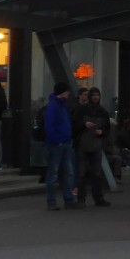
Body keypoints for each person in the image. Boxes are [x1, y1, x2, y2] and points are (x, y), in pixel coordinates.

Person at [73, 87, 112, 207]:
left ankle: (97, 198)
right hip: (84, 145)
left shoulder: (103, 112)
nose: (96, 97)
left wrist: (102, 132)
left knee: (96, 173)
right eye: (94, 95)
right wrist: (84, 124)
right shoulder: (82, 110)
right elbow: (74, 125)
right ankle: (82, 199)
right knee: (82, 173)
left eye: (97, 95)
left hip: (95, 144)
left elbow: (107, 129)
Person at [43, 82, 78, 211]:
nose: (68, 93)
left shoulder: (57, 106)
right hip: (58, 143)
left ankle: (60, 200)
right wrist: (59, 140)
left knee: (62, 172)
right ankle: (59, 200)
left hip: (61, 142)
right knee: (60, 172)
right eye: (66, 91)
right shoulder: (56, 107)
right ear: (62, 92)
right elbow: (50, 127)